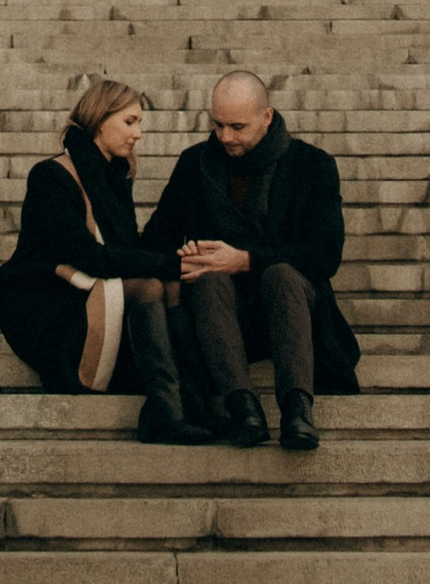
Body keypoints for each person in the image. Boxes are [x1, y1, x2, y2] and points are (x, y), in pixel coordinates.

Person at [0, 77, 207, 442]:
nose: (139, 133)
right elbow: (88, 256)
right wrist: (166, 264)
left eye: (140, 122)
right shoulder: (51, 176)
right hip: (47, 300)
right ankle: (167, 409)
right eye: (130, 121)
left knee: (171, 284)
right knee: (150, 285)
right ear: (101, 120)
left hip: (89, 289)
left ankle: (193, 401)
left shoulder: (115, 178)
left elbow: (127, 251)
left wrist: (178, 261)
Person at [148, 69, 360, 455]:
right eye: (217, 125)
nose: (225, 137)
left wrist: (246, 260)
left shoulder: (313, 166)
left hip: (292, 309)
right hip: (220, 317)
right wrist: (184, 259)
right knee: (210, 279)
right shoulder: (195, 164)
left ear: (267, 116)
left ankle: (297, 409)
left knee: (281, 274)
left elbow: (325, 254)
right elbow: (156, 239)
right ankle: (243, 408)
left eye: (237, 126)